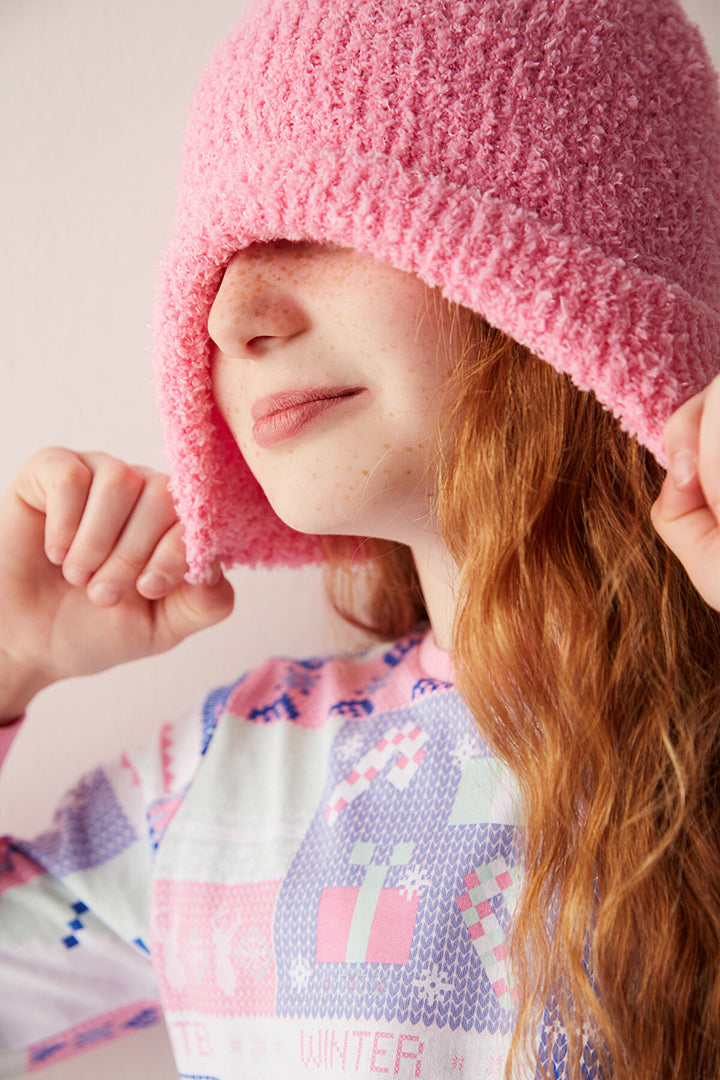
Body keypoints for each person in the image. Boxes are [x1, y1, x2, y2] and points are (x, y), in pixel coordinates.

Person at [1, 0, 719, 1077]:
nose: (230, 318)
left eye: (316, 216)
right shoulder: (221, 781)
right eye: (216, 260)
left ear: (568, 264)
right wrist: (7, 662)